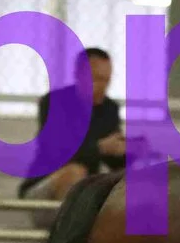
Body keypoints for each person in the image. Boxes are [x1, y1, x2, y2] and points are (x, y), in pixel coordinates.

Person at [29, 47, 124, 202]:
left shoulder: (109, 108)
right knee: (74, 173)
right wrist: (101, 147)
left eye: (107, 80)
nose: (103, 86)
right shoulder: (55, 102)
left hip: (86, 191)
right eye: (97, 79)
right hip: (46, 185)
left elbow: (113, 162)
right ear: (78, 75)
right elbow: (56, 152)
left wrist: (127, 151)